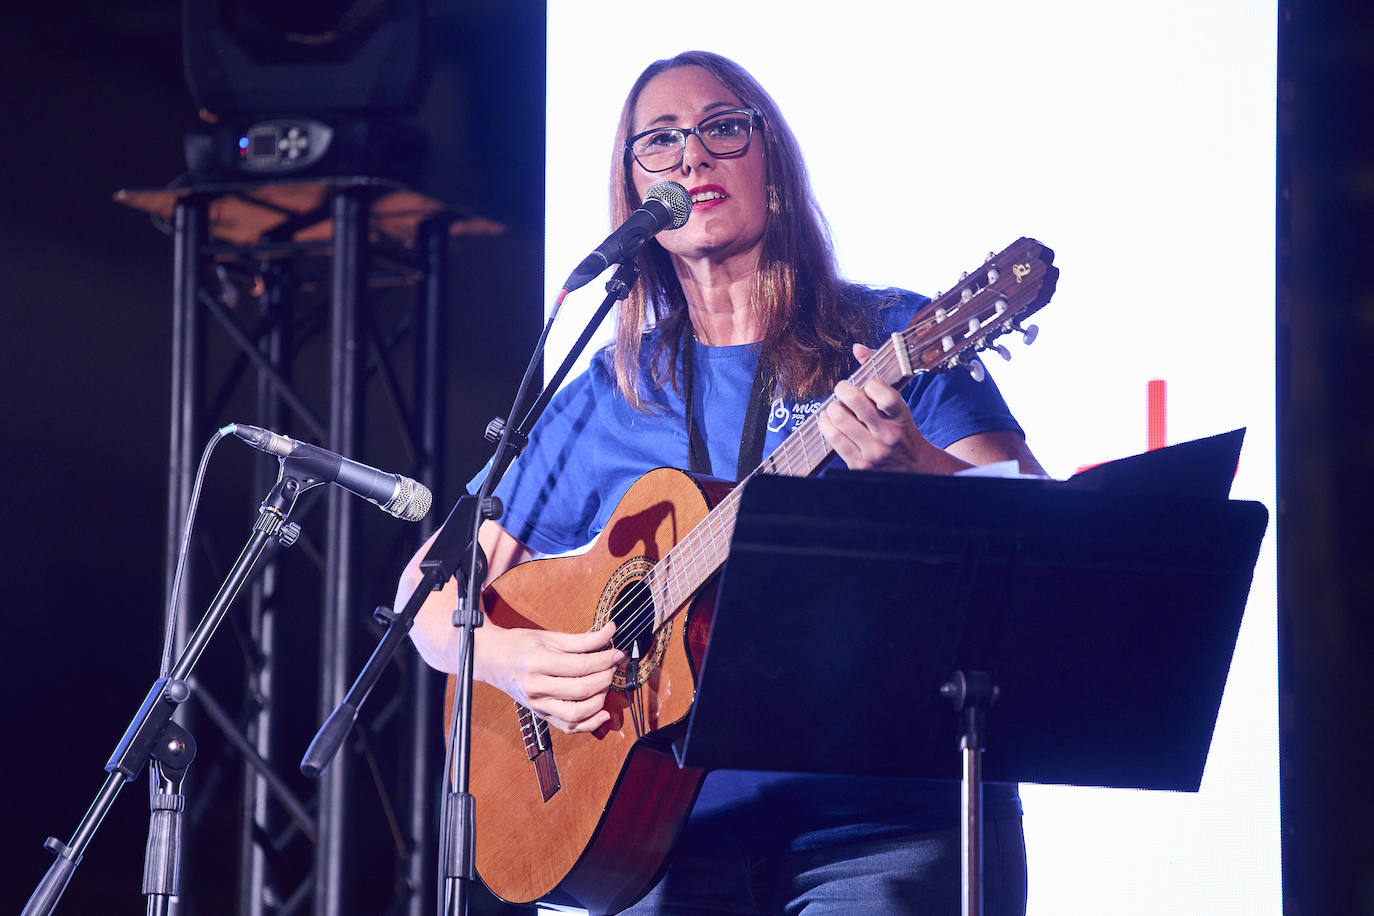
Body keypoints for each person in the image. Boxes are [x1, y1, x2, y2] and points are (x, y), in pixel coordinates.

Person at [402, 50, 1042, 915]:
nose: (692, 157)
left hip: (879, 829)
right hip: (660, 842)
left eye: (723, 129)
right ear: (633, 193)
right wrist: (519, 663)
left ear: (772, 165)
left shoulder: (890, 336)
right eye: (659, 142)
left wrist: (916, 468)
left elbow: (1035, 531)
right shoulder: (606, 391)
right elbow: (426, 595)